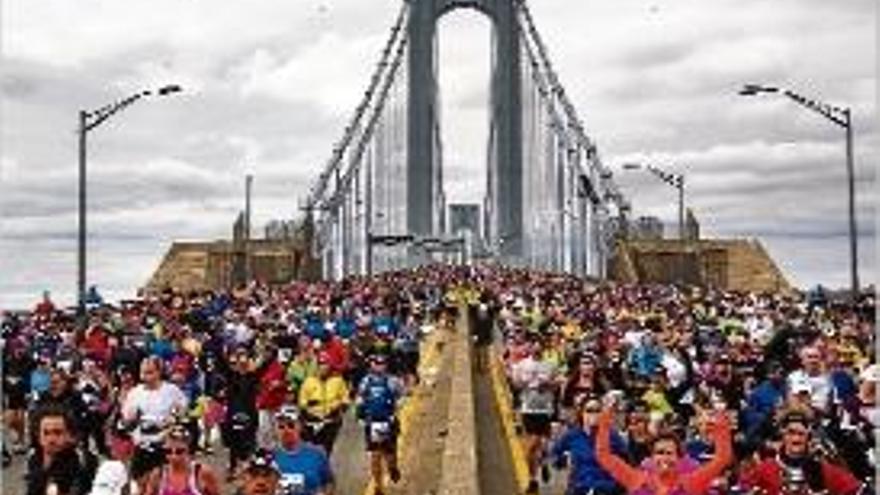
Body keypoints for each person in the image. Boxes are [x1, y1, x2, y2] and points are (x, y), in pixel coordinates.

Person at [595, 404, 733, 495]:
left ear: (678, 458)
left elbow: (722, 458)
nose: (664, 458)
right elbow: (603, 456)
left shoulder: (691, 483)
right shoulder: (636, 480)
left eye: (669, 453)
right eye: (660, 452)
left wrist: (721, 425)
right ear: (652, 457)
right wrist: (604, 423)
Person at [737, 410, 865, 495]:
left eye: (801, 434)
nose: (796, 439)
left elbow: (858, 489)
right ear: (783, 436)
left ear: (809, 437)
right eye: (791, 432)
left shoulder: (822, 469)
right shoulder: (766, 467)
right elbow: (742, 488)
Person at [122, 356, 189, 481]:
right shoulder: (134, 393)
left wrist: (173, 418)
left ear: (159, 372)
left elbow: (183, 410)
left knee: (165, 483)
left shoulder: (171, 391)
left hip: (165, 448)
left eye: (149, 372)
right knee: (139, 483)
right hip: (142, 447)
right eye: (142, 372)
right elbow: (126, 420)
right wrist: (131, 418)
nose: (144, 376)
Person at [550, 396, 628, 495]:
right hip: (579, 488)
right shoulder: (572, 435)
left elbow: (626, 460)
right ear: (581, 413)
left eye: (597, 411)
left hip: (606, 489)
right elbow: (554, 455)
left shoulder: (612, 436)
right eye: (589, 410)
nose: (593, 414)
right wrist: (563, 460)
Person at [510, 338, 559, 493]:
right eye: (534, 346)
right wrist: (524, 382)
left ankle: (543, 460)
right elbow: (515, 384)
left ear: (544, 348)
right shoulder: (523, 365)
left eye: (540, 347)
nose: (537, 349)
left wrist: (548, 384)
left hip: (546, 409)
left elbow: (558, 383)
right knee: (532, 444)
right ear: (530, 347)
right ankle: (532, 479)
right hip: (528, 409)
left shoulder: (551, 364)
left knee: (543, 444)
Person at [356, 353, 403, 495]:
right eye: (376, 364)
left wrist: (395, 411)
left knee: (390, 455)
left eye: (381, 364)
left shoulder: (393, 381)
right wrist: (360, 415)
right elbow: (360, 400)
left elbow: (401, 397)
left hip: (388, 422)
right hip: (372, 424)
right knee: (375, 455)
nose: (379, 366)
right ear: (371, 365)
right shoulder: (365, 382)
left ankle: (393, 467)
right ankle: (378, 486)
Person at [26, 404, 98, 495]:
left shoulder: (83, 460)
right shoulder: (34, 457)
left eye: (58, 432)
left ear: (69, 434)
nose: (51, 439)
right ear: (38, 436)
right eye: (46, 433)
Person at [141, 423, 220, 495]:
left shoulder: (202, 473)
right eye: (168, 451)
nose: (173, 456)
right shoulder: (158, 474)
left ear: (188, 450)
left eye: (179, 451)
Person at [272, 405, 335, 495]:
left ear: (300, 426)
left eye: (291, 425)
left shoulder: (317, 453)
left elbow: (329, 482)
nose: (286, 430)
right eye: (281, 427)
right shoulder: (270, 456)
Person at [298, 352, 350, 455]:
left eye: (325, 364)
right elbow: (301, 401)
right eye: (320, 364)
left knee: (327, 449)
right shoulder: (309, 381)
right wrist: (308, 404)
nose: (323, 367)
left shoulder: (338, 380)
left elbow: (345, 399)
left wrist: (339, 407)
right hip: (312, 420)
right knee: (312, 449)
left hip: (331, 420)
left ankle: (324, 468)